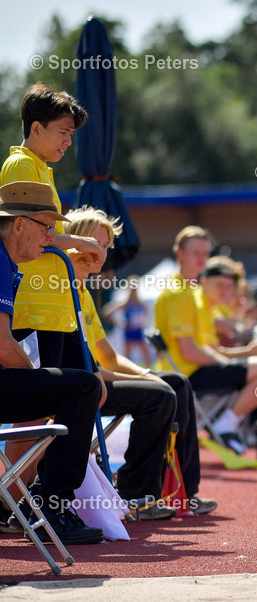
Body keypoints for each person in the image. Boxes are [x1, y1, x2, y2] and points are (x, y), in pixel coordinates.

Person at [64, 207, 216, 517]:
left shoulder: (85, 291)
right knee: (159, 396)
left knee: (176, 382)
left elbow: (108, 355)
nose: (101, 252)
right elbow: (87, 367)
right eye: (94, 243)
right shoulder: (64, 289)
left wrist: (146, 373)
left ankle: (182, 491)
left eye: (106, 246)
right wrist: (149, 382)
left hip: (95, 377)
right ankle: (136, 494)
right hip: (80, 387)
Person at [0, 181, 105, 544]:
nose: (51, 237)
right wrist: (39, 382)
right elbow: (1, 345)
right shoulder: (1, 259)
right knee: (85, 386)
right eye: (47, 227)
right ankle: (53, 506)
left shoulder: (7, 261)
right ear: (18, 225)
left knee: (74, 385)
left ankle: (30, 503)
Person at [153, 227, 257, 454]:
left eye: (205, 253)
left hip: (198, 368)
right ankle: (227, 425)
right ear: (180, 254)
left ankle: (234, 424)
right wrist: (236, 358)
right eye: (196, 253)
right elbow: (190, 352)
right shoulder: (179, 294)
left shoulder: (193, 293)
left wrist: (240, 355)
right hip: (188, 375)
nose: (202, 259)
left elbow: (208, 346)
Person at [2, 83, 103, 368]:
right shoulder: (21, 165)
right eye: (63, 133)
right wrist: (81, 242)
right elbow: (28, 235)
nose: (69, 142)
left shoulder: (39, 167)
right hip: (33, 309)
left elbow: (45, 236)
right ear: (36, 129)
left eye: (70, 135)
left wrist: (72, 248)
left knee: (85, 391)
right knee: (51, 401)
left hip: (51, 309)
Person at [102, 280, 153, 367]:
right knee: (127, 355)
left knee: (145, 354)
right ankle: (128, 371)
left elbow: (146, 313)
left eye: (135, 289)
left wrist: (143, 322)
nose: (134, 292)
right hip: (129, 331)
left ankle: (150, 371)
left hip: (138, 330)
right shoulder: (126, 304)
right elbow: (107, 312)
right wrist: (119, 323)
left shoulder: (140, 304)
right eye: (132, 289)